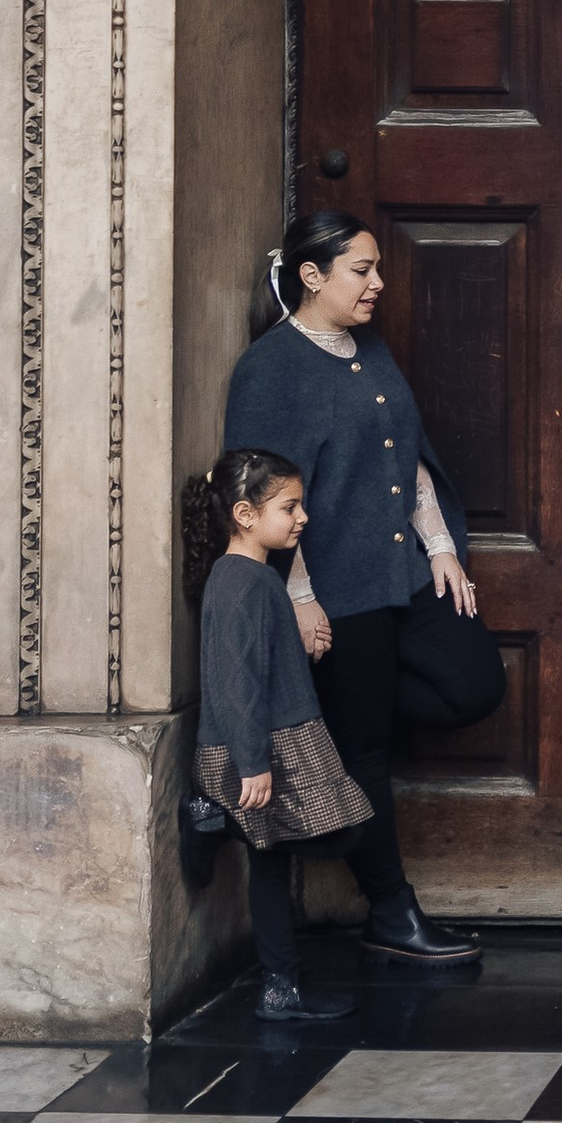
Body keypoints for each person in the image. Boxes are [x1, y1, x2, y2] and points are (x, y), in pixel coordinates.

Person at [220, 209, 506, 971]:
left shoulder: (367, 348)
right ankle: (392, 912)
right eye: (362, 269)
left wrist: (439, 544)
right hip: (336, 592)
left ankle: (346, 732)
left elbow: (405, 451)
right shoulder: (270, 368)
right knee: (368, 747)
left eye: (376, 268)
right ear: (312, 276)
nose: (378, 283)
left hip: (398, 573)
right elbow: (264, 494)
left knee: (471, 684)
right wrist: (299, 593)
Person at [182, 444, 368, 1026]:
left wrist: (301, 649)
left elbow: (260, 663)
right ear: (245, 515)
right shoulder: (242, 584)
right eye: (289, 507)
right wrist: (251, 764)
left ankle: (280, 987)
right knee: (336, 835)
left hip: (279, 736)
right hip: (261, 746)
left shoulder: (252, 579)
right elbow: (237, 683)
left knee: (280, 850)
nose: (302, 517)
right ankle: (212, 815)